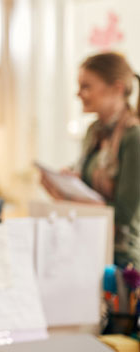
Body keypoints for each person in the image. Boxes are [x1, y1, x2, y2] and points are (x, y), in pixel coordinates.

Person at [41, 52, 140, 267]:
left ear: (117, 88)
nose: (79, 94)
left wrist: (79, 198)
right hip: (90, 245)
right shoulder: (94, 131)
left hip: (122, 260)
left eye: (86, 86)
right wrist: (68, 181)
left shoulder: (134, 137)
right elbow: (89, 183)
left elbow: (124, 214)